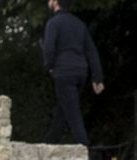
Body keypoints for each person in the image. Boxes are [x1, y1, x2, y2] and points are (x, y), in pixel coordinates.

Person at [43, 0, 105, 150]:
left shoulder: (54, 23)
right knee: (63, 111)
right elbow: (91, 51)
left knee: (72, 113)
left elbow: (49, 49)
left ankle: (85, 153)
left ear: (56, 2)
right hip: (81, 73)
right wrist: (97, 78)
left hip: (64, 72)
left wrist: (50, 66)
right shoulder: (79, 24)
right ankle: (45, 148)